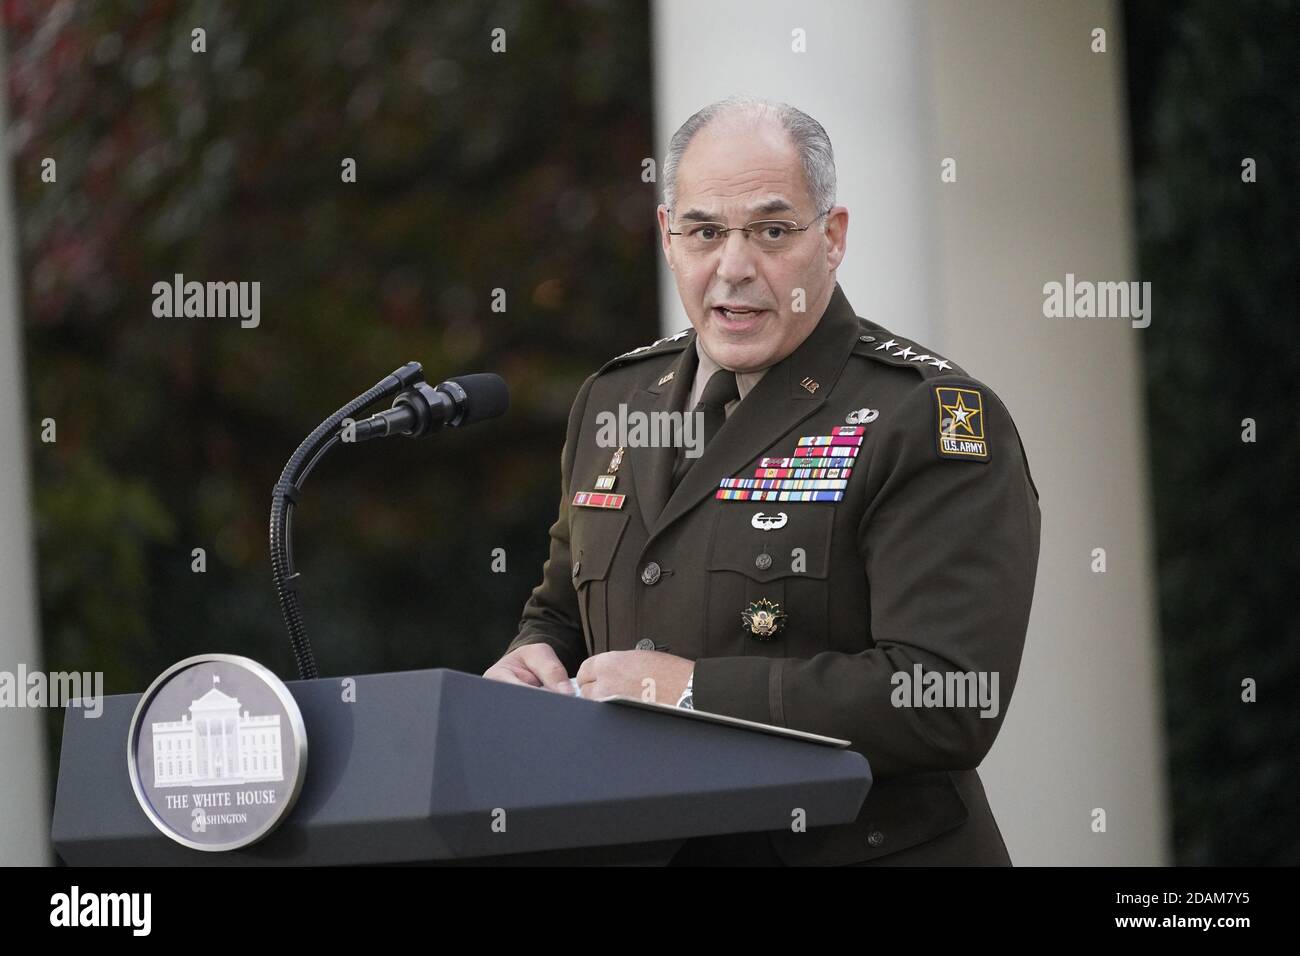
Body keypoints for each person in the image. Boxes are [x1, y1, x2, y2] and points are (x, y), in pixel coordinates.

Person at [484, 95, 1041, 865]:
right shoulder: (614, 399)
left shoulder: (927, 417)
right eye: (705, 231)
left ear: (833, 238)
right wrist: (528, 662)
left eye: (772, 232)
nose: (734, 267)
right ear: (668, 238)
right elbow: (561, 611)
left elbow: (947, 696)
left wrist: (691, 695)